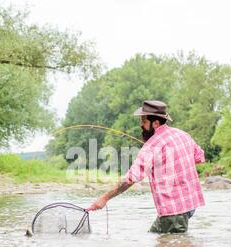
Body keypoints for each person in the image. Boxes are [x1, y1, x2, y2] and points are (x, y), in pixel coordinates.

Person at [87, 100, 205, 234]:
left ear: (155, 123)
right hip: (190, 205)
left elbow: (131, 179)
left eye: (143, 122)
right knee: (155, 240)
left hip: (174, 211)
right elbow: (200, 157)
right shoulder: (183, 135)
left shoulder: (152, 146)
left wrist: (104, 199)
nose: (141, 126)